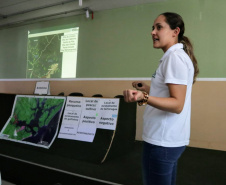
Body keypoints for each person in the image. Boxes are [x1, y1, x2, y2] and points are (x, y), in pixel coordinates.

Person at [123, 12, 199, 185]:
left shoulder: (174, 58)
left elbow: (177, 104)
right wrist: (147, 90)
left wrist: (144, 96)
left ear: (175, 31)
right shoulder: (173, 57)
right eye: (152, 28)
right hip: (166, 140)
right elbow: (170, 94)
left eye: (159, 27)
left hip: (162, 142)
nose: (153, 32)